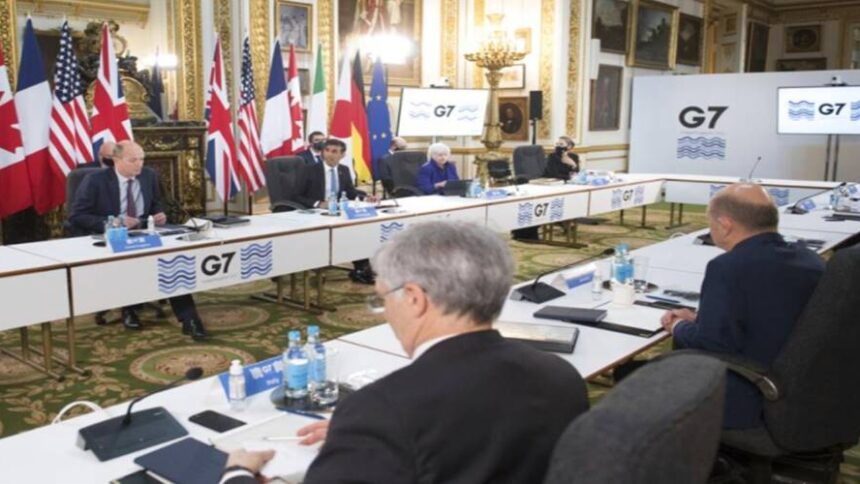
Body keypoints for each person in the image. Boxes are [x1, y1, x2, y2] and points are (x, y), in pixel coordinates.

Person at [220, 221, 588, 483]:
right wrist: (362, 442)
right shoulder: (560, 375)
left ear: (413, 298)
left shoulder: (381, 411)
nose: (385, 311)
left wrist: (237, 473)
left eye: (382, 297)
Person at [649, 183, 823, 429]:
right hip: (806, 386)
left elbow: (712, 343)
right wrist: (701, 319)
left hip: (750, 392)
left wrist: (677, 325)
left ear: (725, 225)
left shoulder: (728, 268)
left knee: (635, 375)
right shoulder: (809, 258)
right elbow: (770, 310)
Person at [68, 141, 208, 340]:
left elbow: (157, 204)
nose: (139, 164)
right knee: (129, 261)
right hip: (112, 236)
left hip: (146, 233)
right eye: (133, 160)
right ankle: (128, 308)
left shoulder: (149, 175)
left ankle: (190, 320)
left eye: (142, 159)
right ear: (116, 160)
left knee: (173, 262)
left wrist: (160, 215)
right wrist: (115, 222)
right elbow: (77, 216)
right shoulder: (95, 181)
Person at [294, 139, 378, 284]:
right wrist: (318, 203)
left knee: (359, 227)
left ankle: (361, 269)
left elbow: (350, 192)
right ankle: (316, 264)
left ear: (342, 154)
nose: (329, 154)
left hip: (338, 212)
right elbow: (296, 195)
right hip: (315, 213)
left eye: (334, 151)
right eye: (327, 151)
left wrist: (366, 198)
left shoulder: (343, 170)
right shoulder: (309, 170)